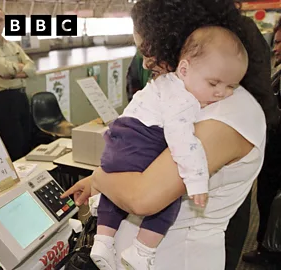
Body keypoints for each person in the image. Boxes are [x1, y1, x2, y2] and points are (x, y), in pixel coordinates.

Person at [61, 0, 278, 269]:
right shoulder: (193, 93)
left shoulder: (227, 114)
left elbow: (143, 197)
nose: (146, 61)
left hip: (177, 258)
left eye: (148, 50)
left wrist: (101, 177)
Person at [90, 26, 248, 270]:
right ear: (184, 68)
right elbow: (184, 143)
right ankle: (143, 251)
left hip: (119, 139)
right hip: (144, 141)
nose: (220, 93)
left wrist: (100, 178)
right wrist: (196, 182)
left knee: (116, 186)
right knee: (169, 197)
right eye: (214, 83)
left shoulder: (164, 82)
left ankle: (102, 240)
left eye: (230, 87)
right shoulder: (184, 101)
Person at [242, 17, 281, 266]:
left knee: (268, 201)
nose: (276, 48)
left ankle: (269, 250)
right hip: (272, 153)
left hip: (277, 155)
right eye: (275, 42)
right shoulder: (278, 69)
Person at [0, 8, 36, 161]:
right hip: (3, 100)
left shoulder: (13, 46)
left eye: (1, 20)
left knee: (27, 141)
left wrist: (14, 71)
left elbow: (32, 68)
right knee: (12, 145)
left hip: (21, 98)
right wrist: (19, 68)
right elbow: (3, 70)